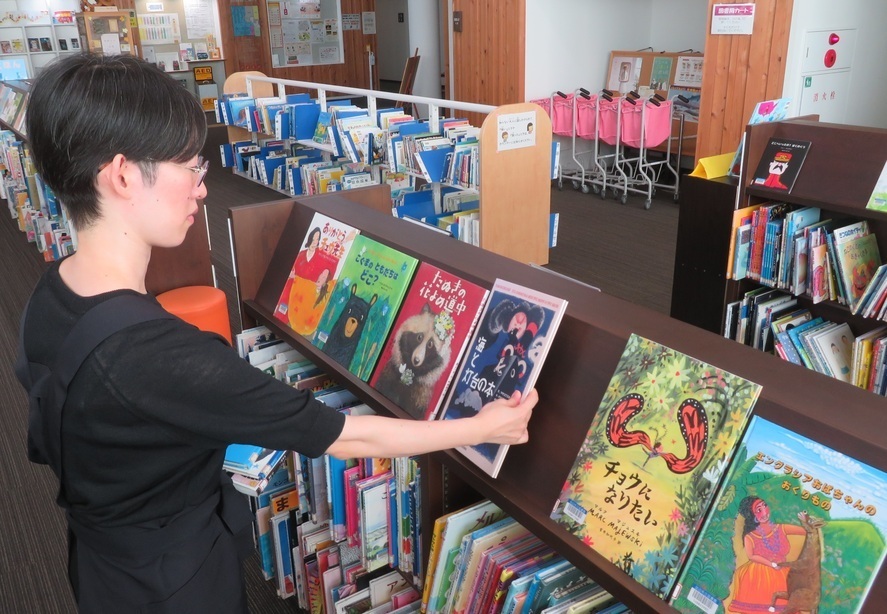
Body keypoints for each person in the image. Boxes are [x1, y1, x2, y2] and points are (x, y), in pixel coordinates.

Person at [16, 54, 537, 613]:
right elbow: (345, 437)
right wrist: (481, 427)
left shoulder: (52, 294)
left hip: (99, 565)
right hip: (172, 587)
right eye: (190, 166)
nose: (202, 188)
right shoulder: (159, 357)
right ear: (121, 176)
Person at [727, 496, 806, 613]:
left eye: (765, 506)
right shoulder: (750, 537)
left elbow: (805, 531)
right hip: (758, 575)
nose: (764, 512)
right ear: (752, 515)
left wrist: (805, 522)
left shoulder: (781, 528)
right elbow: (751, 556)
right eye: (759, 510)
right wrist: (771, 564)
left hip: (782, 570)